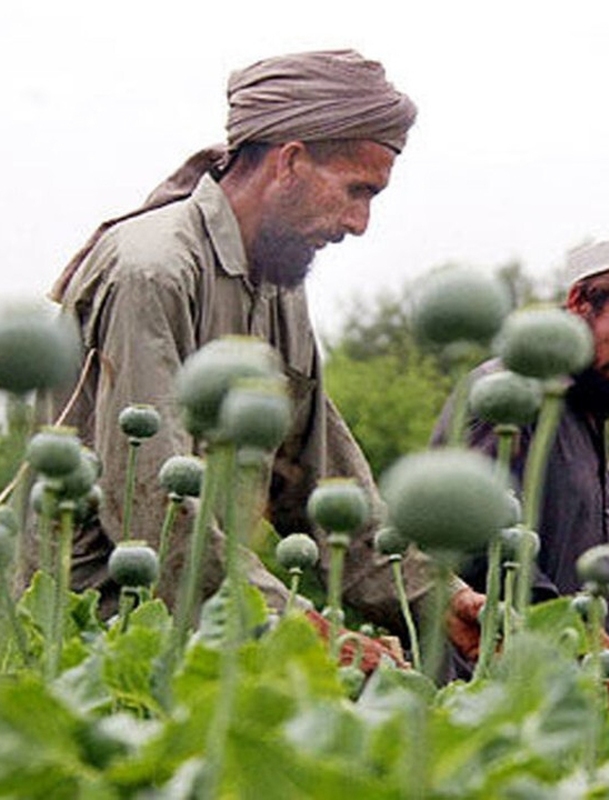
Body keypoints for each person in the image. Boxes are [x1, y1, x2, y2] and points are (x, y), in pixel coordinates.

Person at [40, 49, 484, 663]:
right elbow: (152, 511)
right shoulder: (154, 270)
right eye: (357, 191)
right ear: (291, 161)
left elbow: (323, 487)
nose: (360, 223)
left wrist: (452, 604)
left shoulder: (278, 283)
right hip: (102, 645)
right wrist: (306, 634)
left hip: (222, 632)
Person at [435, 235, 609, 663]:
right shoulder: (509, 392)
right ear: (580, 301)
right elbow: (475, 542)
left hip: (570, 684)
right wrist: (575, 636)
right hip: (493, 687)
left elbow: (564, 547)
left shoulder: (586, 406)